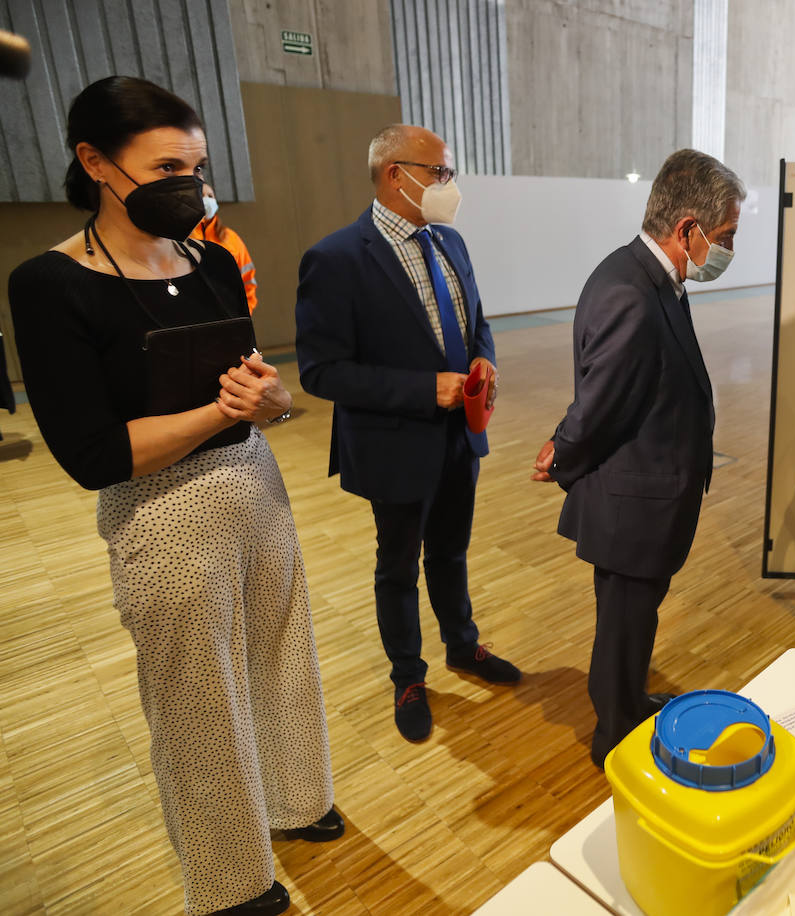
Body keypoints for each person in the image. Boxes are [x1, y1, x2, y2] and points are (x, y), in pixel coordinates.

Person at [7, 76, 337, 916]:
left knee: (281, 654)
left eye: (196, 165)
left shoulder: (216, 259)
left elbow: (263, 389)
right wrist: (219, 412)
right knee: (197, 698)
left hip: (255, 484)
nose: (187, 185)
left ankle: (297, 800)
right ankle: (233, 884)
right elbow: (93, 454)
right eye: (165, 166)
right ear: (95, 162)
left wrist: (274, 402)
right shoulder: (51, 285)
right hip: (161, 512)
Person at [295, 123, 519, 744]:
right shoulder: (336, 258)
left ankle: (462, 646)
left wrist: (484, 358)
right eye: (440, 172)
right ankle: (408, 676)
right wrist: (427, 389)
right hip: (395, 444)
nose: (449, 185)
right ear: (397, 174)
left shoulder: (450, 243)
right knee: (397, 567)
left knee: (450, 551)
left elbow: (478, 322)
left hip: (459, 436)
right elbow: (321, 371)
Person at [530, 148, 745, 768]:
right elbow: (603, 402)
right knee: (624, 621)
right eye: (725, 236)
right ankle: (615, 738)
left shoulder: (652, 278)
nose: (729, 250)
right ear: (687, 230)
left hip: (650, 493)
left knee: (633, 618)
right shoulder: (630, 291)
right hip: (634, 501)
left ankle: (626, 701)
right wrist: (563, 454)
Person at [192, 182, 258, 314]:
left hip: (229, 316)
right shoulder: (182, 238)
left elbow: (248, 280)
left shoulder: (230, 238)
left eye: (211, 196)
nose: (207, 200)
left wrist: (244, 313)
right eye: (202, 195)